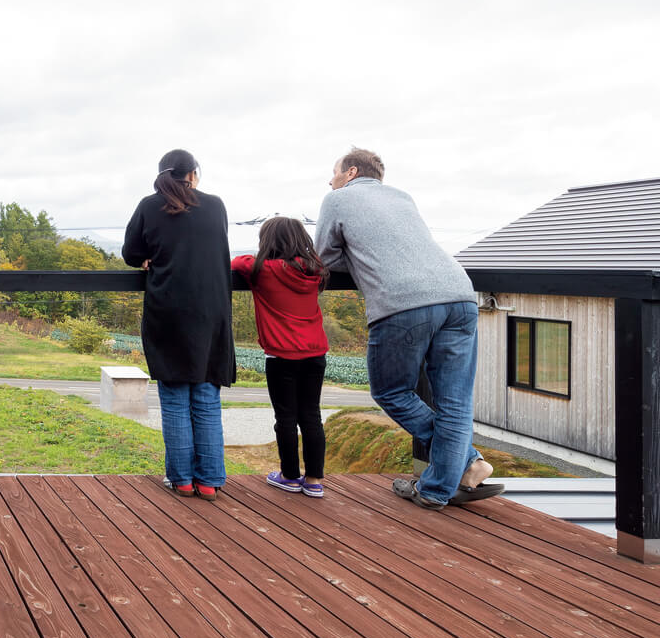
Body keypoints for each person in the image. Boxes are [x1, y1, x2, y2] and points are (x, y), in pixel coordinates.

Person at [315, 147, 502, 508]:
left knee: (391, 390)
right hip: (461, 295)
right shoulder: (403, 197)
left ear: (351, 172)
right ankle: (446, 481)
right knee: (455, 401)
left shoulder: (337, 199)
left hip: (404, 302)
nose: (330, 179)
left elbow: (324, 257)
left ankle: (464, 463)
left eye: (334, 172)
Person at [123, 149, 235, 499]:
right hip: (211, 311)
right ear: (194, 175)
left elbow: (130, 253)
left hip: (168, 310)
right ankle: (210, 481)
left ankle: (182, 480)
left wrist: (148, 260)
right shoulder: (215, 205)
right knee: (205, 396)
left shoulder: (148, 205)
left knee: (174, 399)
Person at [233, 217, 330, 498]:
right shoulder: (316, 270)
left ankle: (289, 476)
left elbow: (236, 263)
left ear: (268, 242)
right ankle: (313, 481)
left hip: (280, 355)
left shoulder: (261, 269)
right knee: (311, 415)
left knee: (286, 417)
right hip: (315, 352)